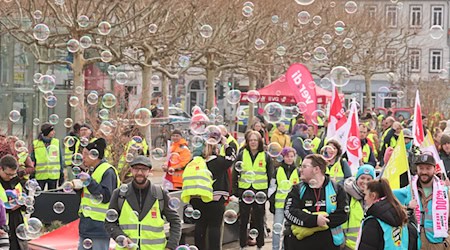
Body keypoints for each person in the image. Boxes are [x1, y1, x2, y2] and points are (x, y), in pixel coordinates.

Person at [105, 155, 181, 250]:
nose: (140, 173)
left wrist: (170, 246)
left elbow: (176, 222)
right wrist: (120, 237)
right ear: (131, 170)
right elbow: (109, 222)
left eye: (144, 169)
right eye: (136, 169)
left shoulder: (160, 194)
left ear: (149, 171)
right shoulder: (120, 193)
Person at [284, 154, 348, 249]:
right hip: (300, 244)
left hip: (329, 244)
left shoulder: (337, 189)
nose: (300, 169)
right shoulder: (297, 189)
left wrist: (322, 221)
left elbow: (343, 214)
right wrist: (314, 220)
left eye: (304, 166)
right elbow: (289, 212)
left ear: (316, 169)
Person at [183, 135, 236, 250]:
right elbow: (232, 157)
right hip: (215, 200)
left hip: (197, 198)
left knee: (200, 225)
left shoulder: (195, 162)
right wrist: (226, 143)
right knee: (214, 227)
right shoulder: (219, 161)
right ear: (216, 148)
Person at [74, 138, 119, 250]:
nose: (82, 157)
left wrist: (88, 181)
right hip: (87, 224)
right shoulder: (91, 170)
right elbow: (89, 196)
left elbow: (105, 197)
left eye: (85, 154)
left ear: (94, 155)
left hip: (100, 227)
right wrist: (78, 188)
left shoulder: (108, 171)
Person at [232, 131, 272, 250]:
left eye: (255, 140)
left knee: (259, 219)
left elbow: (270, 175)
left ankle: (260, 244)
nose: (253, 142)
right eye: (251, 140)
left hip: (260, 191)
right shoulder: (242, 154)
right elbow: (235, 172)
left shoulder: (265, 156)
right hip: (245, 190)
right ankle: (242, 245)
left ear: (259, 142)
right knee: (243, 219)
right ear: (247, 142)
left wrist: (268, 192)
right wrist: (235, 190)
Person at [357, 178, 417, 249]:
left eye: (365, 194)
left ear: (373, 196)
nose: (365, 198)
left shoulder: (373, 222)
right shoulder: (403, 218)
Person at [268, 147, 299, 250]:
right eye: (287, 156)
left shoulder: (298, 171)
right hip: (279, 205)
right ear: (283, 157)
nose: (289, 158)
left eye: (291, 156)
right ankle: (275, 248)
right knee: (277, 229)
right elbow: (272, 187)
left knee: (290, 230)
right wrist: (271, 201)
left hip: (293, 206)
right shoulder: (277, 170)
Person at [342, 164, 375, 249]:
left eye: (369, 179)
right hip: (348, 246)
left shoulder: (375, 197)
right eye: (362, 178)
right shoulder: (347, 196)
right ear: (357, 179)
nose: (365, 182)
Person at [0, 155, 26, 249]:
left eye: (13, 174)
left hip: (18, 225)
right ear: (1, 169)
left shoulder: (17, 182)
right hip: (3, 227)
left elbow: (25, 200)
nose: (11, 177)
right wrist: (9, 208)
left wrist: (22, 203)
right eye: (8, 174)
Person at [31, 123, 64, 190]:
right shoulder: (36, 143)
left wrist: (61, 173)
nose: (54, 132)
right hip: (40, 175)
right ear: (47, 132)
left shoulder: (56, 142)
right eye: (52, 131)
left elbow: (60, 158)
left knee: (52, 197)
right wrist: (32, 173)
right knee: (39, 197)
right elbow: (32, 159)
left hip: (53, 175)